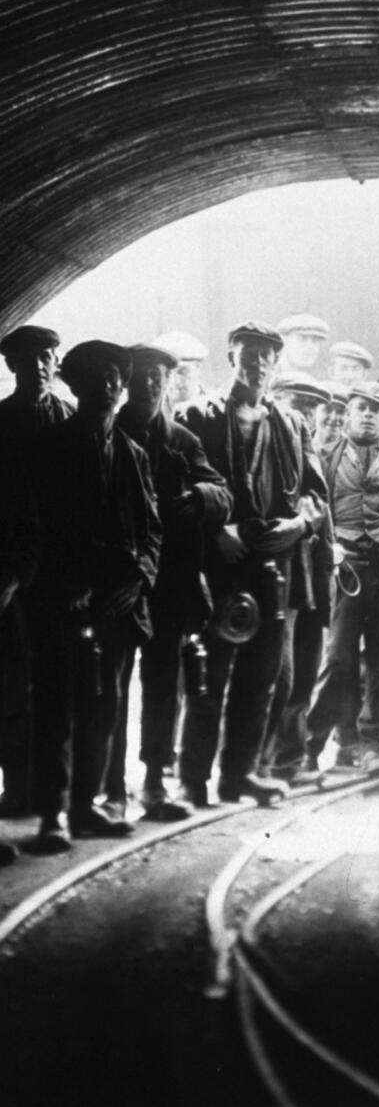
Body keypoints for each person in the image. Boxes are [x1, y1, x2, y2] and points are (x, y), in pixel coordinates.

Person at [177, 321, 327, 806]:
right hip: (218, 567)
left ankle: (238, 773)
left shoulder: (291, 424)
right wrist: (216, 531)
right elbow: (179, 493)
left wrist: (298, 527)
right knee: (209, 675)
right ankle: (192, 780)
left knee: (263, 677)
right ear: (231, 356)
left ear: (276, 363)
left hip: (274, 567)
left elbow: (315, 495)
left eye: (268, 356)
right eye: (250, 354)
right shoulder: (196, 417)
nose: (259, 364)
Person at [32, 341, 162, 849]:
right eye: (95, 378)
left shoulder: (132, 454)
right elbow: (33, 524)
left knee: (102, 709)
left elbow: (152, 533)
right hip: (62, 602)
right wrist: (65, 580)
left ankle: (84, 807)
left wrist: (138, 581)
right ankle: (50, 815)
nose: (107, 387)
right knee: (55, 707)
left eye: (114, 377)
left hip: (116, 606)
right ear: (75, 386)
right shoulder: (49, 448)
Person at [104, 343, 232, 820]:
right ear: (126, 383)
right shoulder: (108, 431)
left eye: (158, 378)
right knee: (113, 686)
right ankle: (112, 788)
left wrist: (198, 497)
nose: (150, 386)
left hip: (171, 581)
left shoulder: (181, 439)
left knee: (162, 684)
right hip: (122, 580)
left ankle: (154, 782)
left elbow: (221, 491)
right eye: (141, 378)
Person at [304, 382, 379, 776]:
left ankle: (374, 746)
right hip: (345, 570)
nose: (368, 415)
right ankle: (309, 747)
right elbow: (316, 519)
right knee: (337, 659)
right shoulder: (324, 459)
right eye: (361, 408)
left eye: (376, 409)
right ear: (349, 413)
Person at [0, 323, 73, 816]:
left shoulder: (69, 417)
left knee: (59, 685)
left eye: (48, 357)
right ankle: (18, 786)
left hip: (60, 577)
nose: (41, 367)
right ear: (12, 367)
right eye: (30, 359)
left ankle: (55, 790)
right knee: (12, 688)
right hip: (10, 578)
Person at [0, 437, 40, 862]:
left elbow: (29, 531)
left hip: (6, 607)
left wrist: (11, 581)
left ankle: (16, 793)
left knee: (12, 705)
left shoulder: (7, 457)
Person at [153, 331, 209, 412]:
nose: (175, 381)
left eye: (182, 371)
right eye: (167, 373)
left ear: (198, 368)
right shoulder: (148, 413)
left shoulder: (219, 409)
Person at [313, 382, 348, 456]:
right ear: (315, 412)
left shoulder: (354, 453)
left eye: (340, 412)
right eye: (327, 410)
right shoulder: (299, 445)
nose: (333, 417)